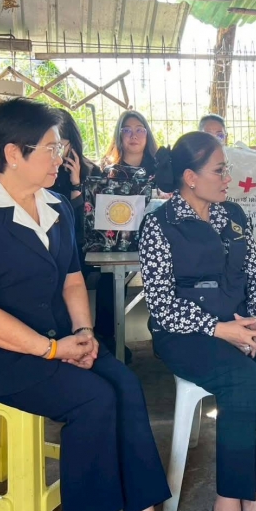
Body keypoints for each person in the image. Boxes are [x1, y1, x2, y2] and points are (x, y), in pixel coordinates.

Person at [0, 98, 170, 511]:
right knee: (93, 398)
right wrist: (51, 349)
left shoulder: (57, 207)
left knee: (125, 385)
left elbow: (73, 281)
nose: (60, 157)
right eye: (50, 148)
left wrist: (83, 333)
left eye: (59, 147)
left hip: (60, 338)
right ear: (13, 153)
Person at [139, 132, 256, 511]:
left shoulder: (232, 214)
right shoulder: (159, 225)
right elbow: (161, 305)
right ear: (190, 177)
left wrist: (254, 324)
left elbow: (254, 274)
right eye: (219, 170)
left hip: (240, 326)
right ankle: (227, 509)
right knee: (244, 381)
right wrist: (220, 329)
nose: (227, 177)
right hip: (185, 334)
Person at [94, 110, 159, 360]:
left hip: (156, 243)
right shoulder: (107, 172)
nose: (134, 135)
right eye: (127, 130)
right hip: (117, 245)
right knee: (108, 279)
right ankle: (107, 340)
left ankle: (163, 332)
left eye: (140, 129)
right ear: (119, 136)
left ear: (147, 134)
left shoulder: (161, 169)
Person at [48, 110, 101, 259]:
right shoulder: (43, 171)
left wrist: (76, 186)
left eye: (60, 146)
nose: (55, 154)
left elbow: (85, 227)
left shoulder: (92, 171)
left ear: (71, 143)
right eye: (50, 147)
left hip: (81, 250)